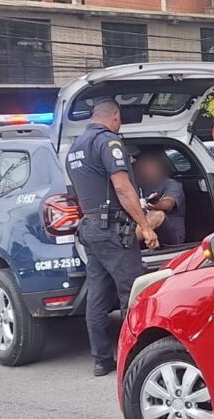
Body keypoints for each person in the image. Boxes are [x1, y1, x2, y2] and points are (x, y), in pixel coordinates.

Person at [66, 99, 159, 377]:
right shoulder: (108, 143)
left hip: (91, 228)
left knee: (97, 294)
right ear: (115, 116)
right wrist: (145, 225)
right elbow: (122, 187)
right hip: (113, 230)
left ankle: (101, 359)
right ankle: (136, 357)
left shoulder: (75, 147)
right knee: (131, 293)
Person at [133, 151, 186, 246]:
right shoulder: (135, 185)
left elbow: (168, 203)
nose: (144, 170)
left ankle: (122, 245)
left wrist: (154, 205)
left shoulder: (171, 184)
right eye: (142, 167)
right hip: (146, 236)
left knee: (157, 215)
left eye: (149, 167)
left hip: (171, 237)